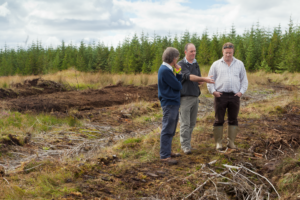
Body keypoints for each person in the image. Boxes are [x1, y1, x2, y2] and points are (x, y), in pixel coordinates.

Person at [207, 42, 248, 150]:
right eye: (226, 53)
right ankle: (218, 143)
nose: (228, 55)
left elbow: (244, 80)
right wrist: (213, 91)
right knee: (219, 120)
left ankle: (231, 143)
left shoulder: (239, 64)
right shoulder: (216, 64)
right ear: (222, 52)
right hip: (220, 95)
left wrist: (241, 92)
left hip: (235, 96)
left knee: (233, 119)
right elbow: (210, 80)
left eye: (230, 53)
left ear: (233, 52)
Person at [178, 43, 215, 154]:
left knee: (192, 123)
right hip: (184, 98)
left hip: (195, 97)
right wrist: (204, 78)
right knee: (185, 123)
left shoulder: (195, 63)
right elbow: (188, 77)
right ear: (185, 52)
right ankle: (185, 146)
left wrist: (201, 81)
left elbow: (197, 79)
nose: (193, 53)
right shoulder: (180, 64)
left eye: (194, 51)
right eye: (191, 51)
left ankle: (187, 144)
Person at [158, 47, 183, 165]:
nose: (177, 60)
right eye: (177, 58)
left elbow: (176, 84)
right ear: (173, 59)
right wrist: (178, 72)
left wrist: (177, 72)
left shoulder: (167, 69)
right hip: (169, 103)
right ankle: (164, 156)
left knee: (171, 128)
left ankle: (167, 151)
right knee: (167, 128)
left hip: (172, 103)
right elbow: (178, 86)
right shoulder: (165, 70)